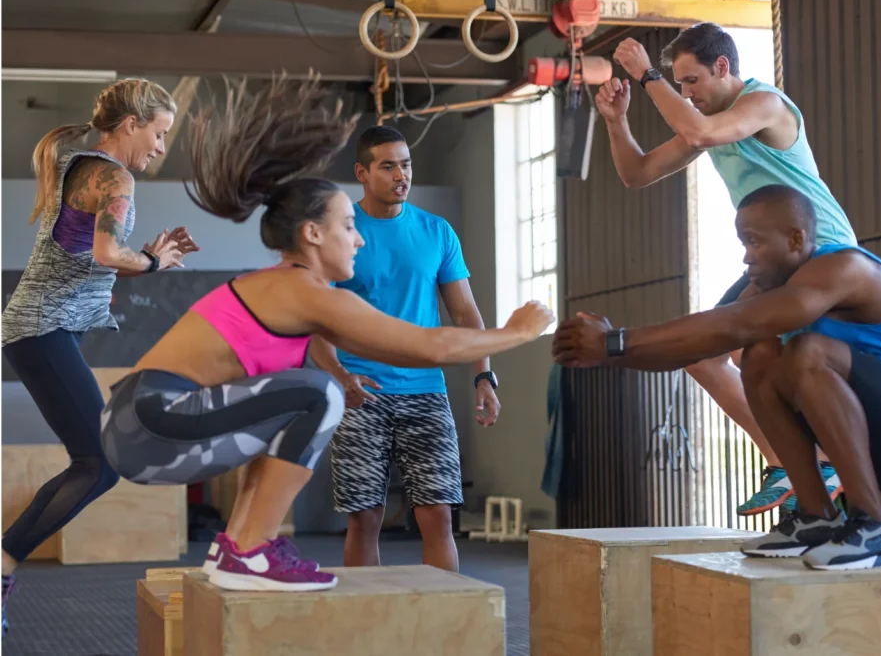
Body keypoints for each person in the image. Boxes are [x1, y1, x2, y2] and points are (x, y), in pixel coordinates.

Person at [97, 75, 554, 593]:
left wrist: (483, 374)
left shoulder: (295, 289)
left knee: (300, 400)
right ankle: (250, 550)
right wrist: (518, 332)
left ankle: (238, 546)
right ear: (312, 234)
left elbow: (426, 341)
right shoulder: (308, 293)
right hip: (151, 424)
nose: (358, 237)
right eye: (346, 227)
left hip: (141, 424)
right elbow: (434, 345)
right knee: (318, 394)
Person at [552, 185, 881, 570]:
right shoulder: (767, 286)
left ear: (796, 239)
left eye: (755, 242)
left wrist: (615, 341)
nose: (746, 255)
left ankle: (876, 528)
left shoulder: (845, 270)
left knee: (806, 352)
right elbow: (697, 348)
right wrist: (608, 352)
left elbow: (733, 324)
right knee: (759, 354)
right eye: (743, 242)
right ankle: (816, 518)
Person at [596, 22, 858, 516]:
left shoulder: (765, 106)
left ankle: (822, 464)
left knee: (761, 359)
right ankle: (789, 463)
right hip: (774, 262)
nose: (685, 94)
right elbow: (637, 174)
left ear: (722, 67)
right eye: (679, 84)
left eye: (690, 81)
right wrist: (616, 123)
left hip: (822, 251)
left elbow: (698, 130)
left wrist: (647, 73)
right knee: (707, 358)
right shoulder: (709, 123)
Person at [0, 78, 198, 642]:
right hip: (41, 329)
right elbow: (108, 251)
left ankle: (3, 564)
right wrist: (153, 265)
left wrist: (146, 258)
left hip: (46, 328)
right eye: (158, 134)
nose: (161, 147)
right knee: (100, 462)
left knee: (91, 461)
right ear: (130, 125)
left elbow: (90, 255)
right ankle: (3, 565)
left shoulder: (86, 165)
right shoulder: (114, 175)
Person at [310, 125, 500, 574]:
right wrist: (341, 378)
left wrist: (483, 375)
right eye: (388, 165)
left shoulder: (437, 232)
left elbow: (466, 314)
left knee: (437, 516)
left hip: (426, 391)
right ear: (362, 172)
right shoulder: (340, 234)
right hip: (361, 393)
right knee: (364, 519)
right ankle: (365, 629)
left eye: (407, 163)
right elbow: (315, 323)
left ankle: (448, 627)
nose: (402, 174)